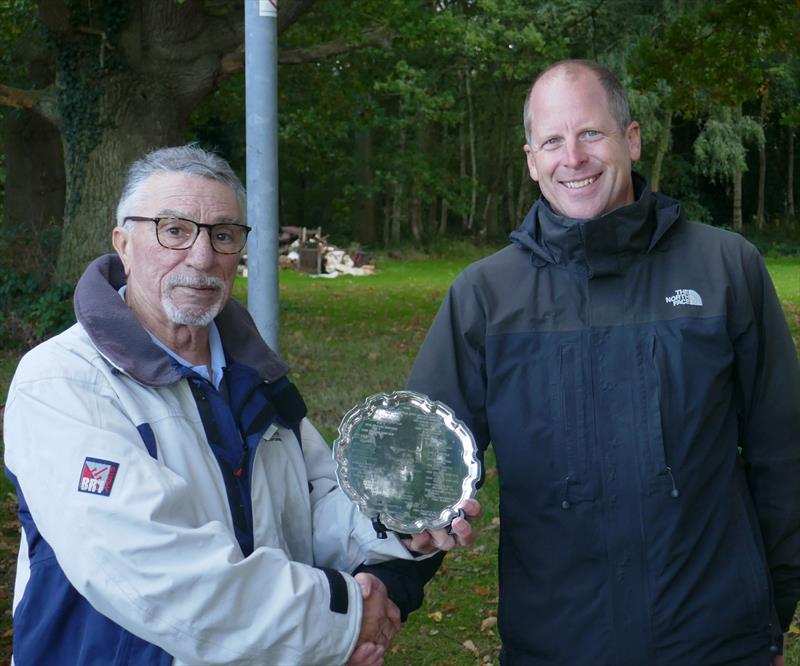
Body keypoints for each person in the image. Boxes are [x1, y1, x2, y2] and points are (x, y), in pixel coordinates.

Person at [3, 144, 479, 666]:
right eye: (174, 229)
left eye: (224, 235)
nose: (202, 257)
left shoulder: (254, 372)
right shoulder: (64, 382)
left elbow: (312, 505)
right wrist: (344, 615)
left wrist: (395, 525)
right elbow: (157, 576)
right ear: (124, 243)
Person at [407, 59, 800, 665]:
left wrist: (771, 619)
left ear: (632, 139)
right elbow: (419, 469)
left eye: (591, 133)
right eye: (553, 141)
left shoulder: (727, 269)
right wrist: (394, 570)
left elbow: (784, 454)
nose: (574, 157)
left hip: (719, 641)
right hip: (557, 644)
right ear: (532, 159)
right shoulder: (484, 298)